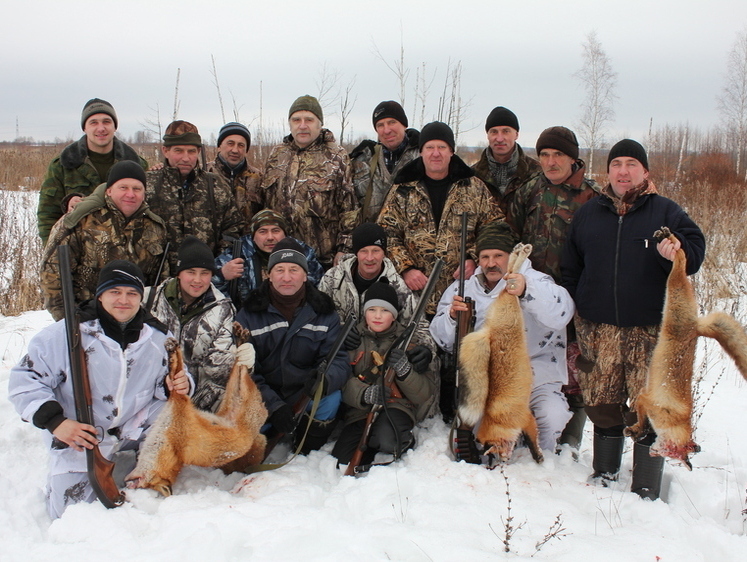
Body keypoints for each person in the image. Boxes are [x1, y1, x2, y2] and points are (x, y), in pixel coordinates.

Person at [562, 139, 706, 500]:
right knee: (602, 402)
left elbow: (695, 250)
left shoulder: (665, 212)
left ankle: (646, 485)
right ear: (607, 171)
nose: (623, 171)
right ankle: (605, 472)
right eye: (616, 164)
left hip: (649, 330)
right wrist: (575, 312)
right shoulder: (588, 214)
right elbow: (570, 268)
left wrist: (676, 251)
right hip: (598, 330)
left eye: (631, 164)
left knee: (650, 405)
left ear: (645, 171)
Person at [9, 260, 193, 519]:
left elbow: (179, 375)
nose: (123, 300)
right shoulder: (67, 334)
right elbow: (24, 378)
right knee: (70, 517)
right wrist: (56, 422)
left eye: (132, 293)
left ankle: (150, 472)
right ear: (100, 296)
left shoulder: (157, 337)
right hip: (79, 433)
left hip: (132, 424)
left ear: (141, 298)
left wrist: (182, 383)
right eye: (115, 292)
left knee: (172, 415)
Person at [430, 222, 574, 455]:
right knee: (479, 435)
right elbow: (443, 340)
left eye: (498, 255)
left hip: (535, 371)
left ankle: (543, 461)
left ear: (511, 256)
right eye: (484, 256)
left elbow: (563, 313)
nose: (490, 263)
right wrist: (452, 317)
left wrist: (527, 290)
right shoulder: (462, 288)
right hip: (488, 379)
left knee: (552, 416)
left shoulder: (537, 281)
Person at [508, 125, 602, 450]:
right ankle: (526, 426)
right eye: (544, 155)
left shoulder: (593, 198)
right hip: (533, 299)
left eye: (557, 154)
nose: (550, 162)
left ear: (573, 157)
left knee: (575, 370)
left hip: (576, 298)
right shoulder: (530, 189)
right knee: (533, 363)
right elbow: (511, 234)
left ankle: (571, 438)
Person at [235, 238, 351, 453]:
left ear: (305, 275)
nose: (286, 278)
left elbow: (338, 360)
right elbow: (245, 373)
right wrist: (274, 406)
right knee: (245, 432)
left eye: (294, 270)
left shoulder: (324, 313)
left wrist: (324, 381)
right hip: (265, 398)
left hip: (304, 393)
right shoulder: (248, 315)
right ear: (269, 275)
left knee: (331, 398)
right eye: (279, 270)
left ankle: (308, 444)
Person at [377, 121, 504, 316]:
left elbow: (495, 228)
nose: (436, 153)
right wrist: (406, 268)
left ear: (451, 151)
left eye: (442, 147)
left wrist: (474, 258)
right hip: (414, 298)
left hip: (462, 296)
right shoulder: (402, 189)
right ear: (421, 151)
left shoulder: (474, 187)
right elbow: (386, 233)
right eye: (429, 147)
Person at [41, 161, 168, 321]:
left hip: (134, 323)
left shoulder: (155, 227)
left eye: (137, 189)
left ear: (144, 193)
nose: (130, 194)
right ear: (108, 191)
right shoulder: (79, 221)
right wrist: (67, 322)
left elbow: (161, 281)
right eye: (123, 188)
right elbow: (52, 276)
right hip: (86, 320)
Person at [332, 281, 436, 468]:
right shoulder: (352, 340)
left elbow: (423, 394)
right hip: (360, 411)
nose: (378, 316)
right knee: (342, 457)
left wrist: (405, 372)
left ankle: (398, 439)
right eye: (372, 310)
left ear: (394, 315)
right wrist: (365, 394)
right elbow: (341, 381)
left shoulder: (409, 342)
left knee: (387, 441)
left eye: (385, 311)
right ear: (364, 312)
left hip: (397, 406)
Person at [261, 95, 358, 268]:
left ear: (319, 123)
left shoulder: (336, 157)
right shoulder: (276, 155)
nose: (302, 125)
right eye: (296, 120)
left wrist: (344, 249)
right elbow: (265, 205)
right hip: (280, 258)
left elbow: (349, 209)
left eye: (309, 120)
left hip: (322, 260)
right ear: (290, 123)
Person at [37, 98, 148, 245]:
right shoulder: (63, 165)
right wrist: (54, 252)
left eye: (106, 122)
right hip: (79, 250)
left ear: (115, 126)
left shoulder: (136, 163)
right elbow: (47, 215)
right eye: (94, 122)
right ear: (84, 128)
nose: (101, 128)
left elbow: (146, 210)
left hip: (125, 250)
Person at [145, 236, 236, 412]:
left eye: (205, 273)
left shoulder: (223, 310)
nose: (197, 280)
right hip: (147, 400)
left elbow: (217, 372)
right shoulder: (148, 299)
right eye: (191, 272)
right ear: (179, 273)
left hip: (195, 403)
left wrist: (188, 387)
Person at [145, 120, 243, 271]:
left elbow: (232, 230)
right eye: (179, 151)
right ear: (165, 151)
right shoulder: (147, 185)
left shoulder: (215, 185)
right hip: (157, 282)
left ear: (198, 152)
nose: (186, 158)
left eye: (191, 151)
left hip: (204, 280)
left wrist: (216, 268)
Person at [214, 209, 324, 303]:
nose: (270, 237)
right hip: (248, 318)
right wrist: (221, 275)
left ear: (285, 234)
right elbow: (206, 290)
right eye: (263, 232)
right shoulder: (236, 255)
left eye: (276, 231)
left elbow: (319, 289)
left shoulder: (303, 253)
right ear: (253, 236)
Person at [349, 101, 420, 222]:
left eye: (392, 122)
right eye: (380, 125)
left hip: (412, 238)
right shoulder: (363, 160)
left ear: (404, 124)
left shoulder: (424, 158)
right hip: (372, 238)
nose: (386, 130)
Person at [471, 106, 541, 216]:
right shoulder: (472, 177)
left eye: (506, 131)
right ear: (487, 135)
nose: (499, 138)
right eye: (494, 132)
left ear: (516, 134)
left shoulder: (537, 174)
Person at [206, 122, 263, 228]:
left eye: (241, 145)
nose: (235, 150)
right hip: (211, 243)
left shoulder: (258, 178)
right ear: (219, 146)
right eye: (230, 143)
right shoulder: (203, 173)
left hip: (247, 242)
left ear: (246, 150)